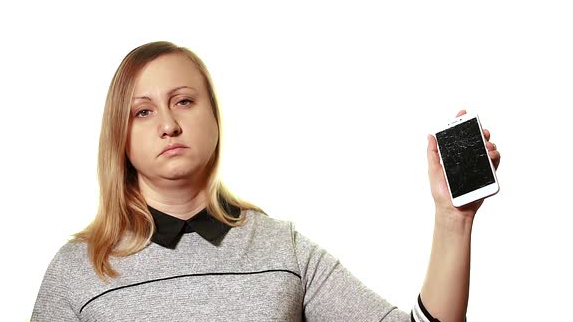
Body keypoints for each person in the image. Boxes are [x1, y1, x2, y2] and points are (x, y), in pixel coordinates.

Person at [31, 41, 501, 322]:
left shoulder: (283, 249)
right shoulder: (78, 270)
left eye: (184, 101)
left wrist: (452, 219)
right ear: (121, 135)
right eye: (143, 111)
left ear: (214, 116)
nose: (168, 125)